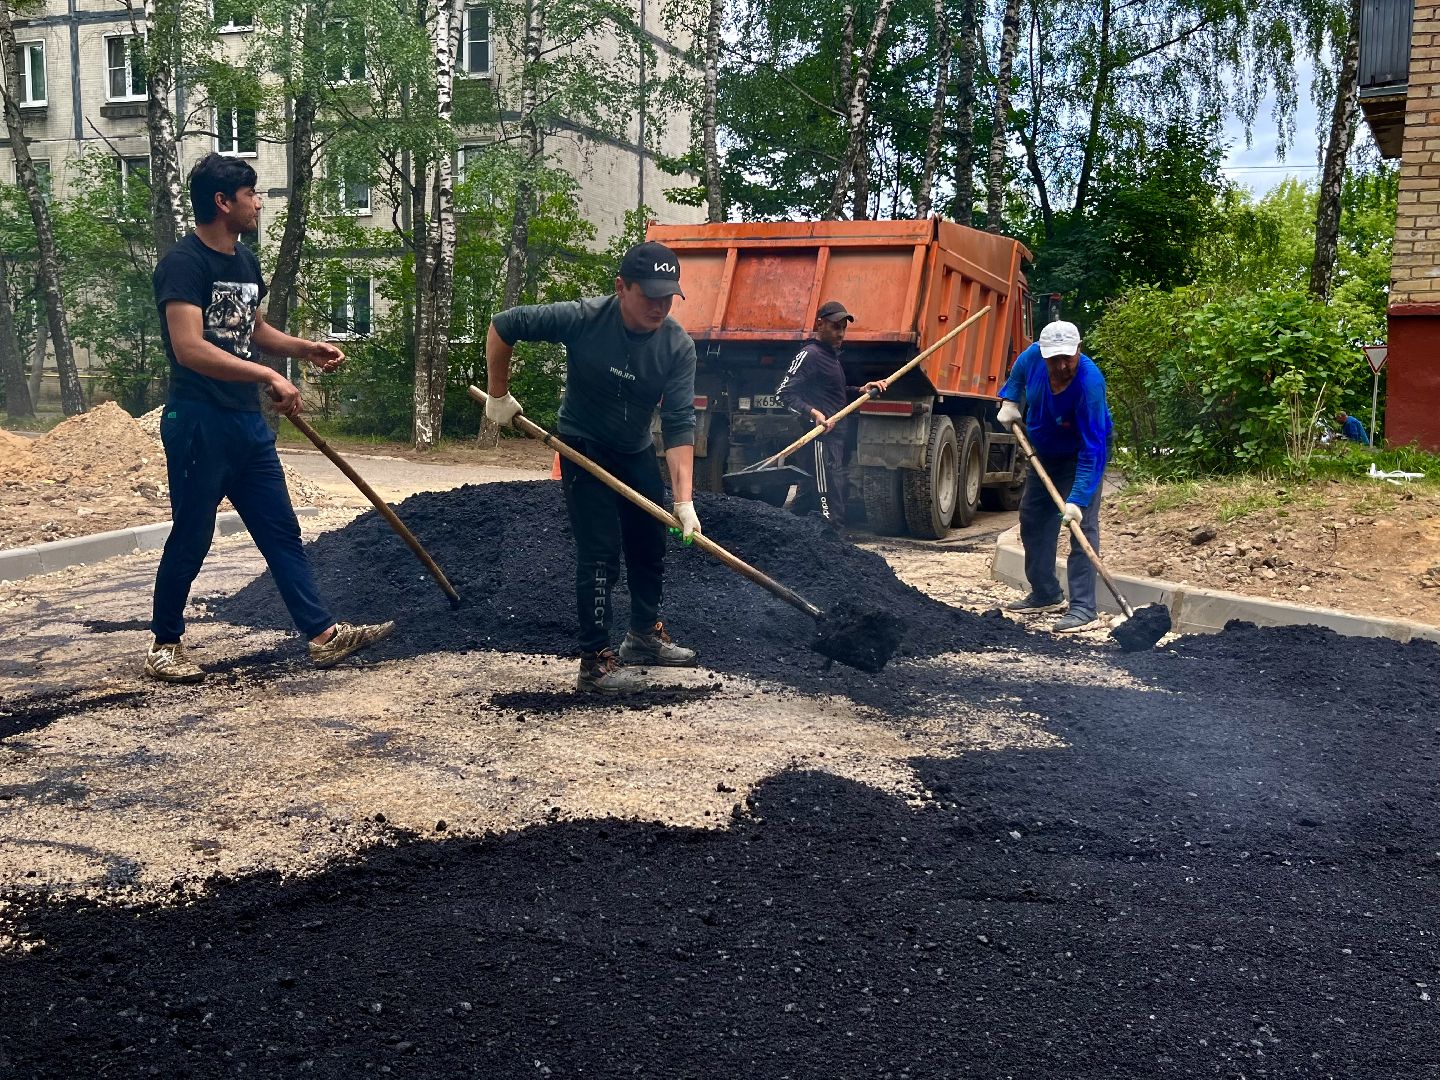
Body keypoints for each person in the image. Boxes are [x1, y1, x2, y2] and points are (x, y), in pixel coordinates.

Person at [145, 153, 394, 684]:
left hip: (244, 425)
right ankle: (165, 644)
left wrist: (303, 349)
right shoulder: (184, 264)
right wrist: (266, 377)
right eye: (251, 194)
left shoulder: (244, 260)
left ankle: (322, 637)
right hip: (198, 420)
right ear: (222, 201)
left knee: (281, 530)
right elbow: (189, 348)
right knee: (193, 533)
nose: (259, 203)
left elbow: (250, 329)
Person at [484, 240, 701, 694]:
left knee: (649, 541)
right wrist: (498, 395)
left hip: (635, 448)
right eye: (651, 295)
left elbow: (680, 423)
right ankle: (595, 661)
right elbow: (504, 325)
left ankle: (642, 635)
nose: (660, 306)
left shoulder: (677, 346)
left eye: (669, 297)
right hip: (583, 445)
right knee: (600, 551)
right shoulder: (583, 318)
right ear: (622, 287)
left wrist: (684, 501)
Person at [997, 319, 1113, 634]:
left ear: (1079, 349)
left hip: (1081, 457)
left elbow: (1094, 450)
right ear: (1043, 353)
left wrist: (1076, 500)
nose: (1061, 366)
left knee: (1081, 527)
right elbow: (1019, 373)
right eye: (1054, 359)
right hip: (1045, 452)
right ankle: (1046, 592)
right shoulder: (1033, 356)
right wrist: (1010, 399)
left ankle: (1084, 609)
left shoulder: (1089, 385)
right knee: (1033, 517)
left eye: (1068, 357)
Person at [774, 300, 887, 529]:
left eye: (844, 328)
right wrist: (813, 413)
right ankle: (835, 546)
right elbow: (783, 394)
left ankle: (790, 538)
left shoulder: (830, 357)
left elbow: (835, 395)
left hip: (833, 442)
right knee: (830, 505)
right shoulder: (810, 355)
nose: (841, 334)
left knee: (808, 500)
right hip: (820, 442)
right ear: (820, 324)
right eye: (836, 327)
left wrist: (860, 390)